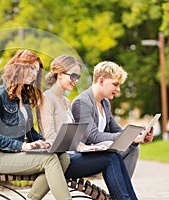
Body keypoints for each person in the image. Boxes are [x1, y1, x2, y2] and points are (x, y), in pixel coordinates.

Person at [38, 55, 138, 199]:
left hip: (71, 156)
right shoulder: (47, 99)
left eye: (77, 77)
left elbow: (73, 136)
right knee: (110, 157)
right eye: (73, 76)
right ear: (59, 74)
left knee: (113, 155)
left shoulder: (66, 101)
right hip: (59, 161)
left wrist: (86, 147)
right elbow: (50, 136)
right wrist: (81, 146)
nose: (76, 80)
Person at [0, 49, 72, 200]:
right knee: (49, 160)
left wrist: (45, 143)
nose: (34, 74)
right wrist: (22, 146)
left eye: (36, 71)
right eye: (31, 68)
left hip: (20, 153)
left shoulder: (24, 96)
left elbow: (29, 130)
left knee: (63, 157)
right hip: (0, 156)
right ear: (18, 67)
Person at [71, 61, 154, 178]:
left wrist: (137, 135)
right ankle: (121, 192)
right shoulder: (82, 103)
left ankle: (122, 190)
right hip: (82, 157)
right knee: (113, 144)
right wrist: (128, 137)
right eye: (115, 84)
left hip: (99, 152)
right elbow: (93, 136)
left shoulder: (105, 103)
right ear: (101, 81)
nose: (118, 89)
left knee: (133, 148)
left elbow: (116, 130)